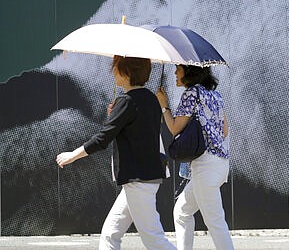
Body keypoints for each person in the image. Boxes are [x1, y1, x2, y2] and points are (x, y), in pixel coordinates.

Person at [56, 55, 176, 250]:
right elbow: (137, 128)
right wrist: (116, 116)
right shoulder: (150, 99)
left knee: (154, 239)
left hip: (138, 180)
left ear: (126, 72)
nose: (112, 72)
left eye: (116, 67)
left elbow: (103, 138)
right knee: (110, 235)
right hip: (144, 178)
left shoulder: (126, 101)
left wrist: (72, 155)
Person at [156, 64, 234, 250]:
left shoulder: (191, 93)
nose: (175, 73)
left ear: (189, 72)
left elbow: (175, 128)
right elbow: (224, 130)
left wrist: (164, 105)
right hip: (220, 163)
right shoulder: (215, 95)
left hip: (205, 166)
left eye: (178, 69)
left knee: (215, 222)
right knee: (182, 212)